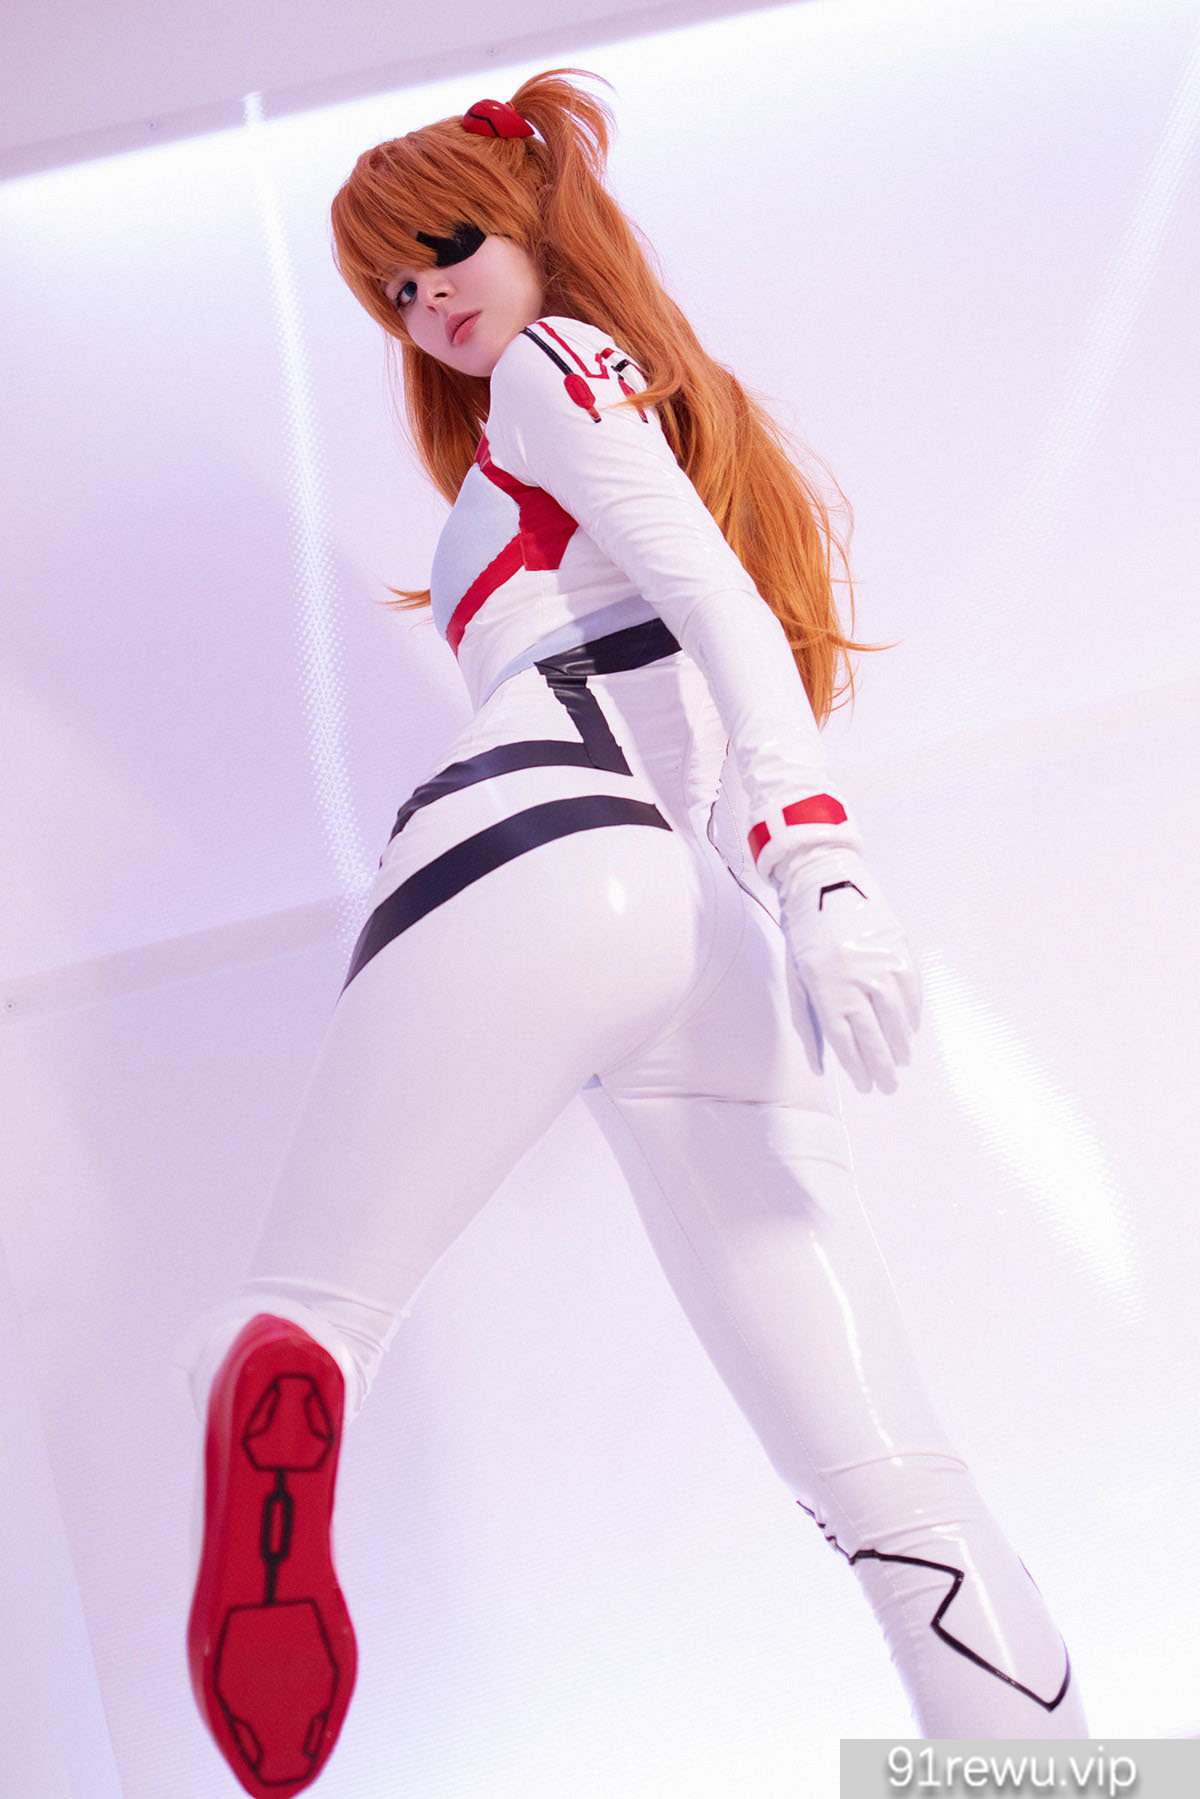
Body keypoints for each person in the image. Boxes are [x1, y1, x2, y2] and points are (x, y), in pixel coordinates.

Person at [180, 68, 1088, 1798]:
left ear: (535, 219)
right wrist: (802, 889)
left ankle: (293, 1391)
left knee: (301, 1321)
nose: (428, 300)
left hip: (547, 844)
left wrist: (828, 867)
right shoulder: (570, 405)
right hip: (707, 945)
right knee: (905, 1506)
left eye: (447, 247)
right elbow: (706, 658)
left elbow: (710, 598)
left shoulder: (552, 366)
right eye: (394, 290)